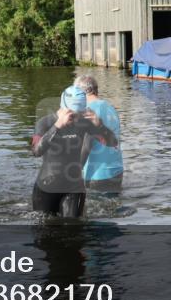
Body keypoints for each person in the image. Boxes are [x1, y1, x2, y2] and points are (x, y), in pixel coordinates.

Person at [31, 86, 117, 218]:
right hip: (47, 186)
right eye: (73, 113)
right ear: (63, 106)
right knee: (46, 232)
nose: (76, 118)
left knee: (74, 231)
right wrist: (57, 127)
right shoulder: (45, 123)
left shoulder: (85, 123)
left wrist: (99, 125)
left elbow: (113, 143)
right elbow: (36, 151)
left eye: (79, 113)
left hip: (74, 187)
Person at [73, 75, 123, 193]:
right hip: (117, 170)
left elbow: (86, 145)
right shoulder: (110, 107)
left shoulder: (88, 111)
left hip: (97, 176)